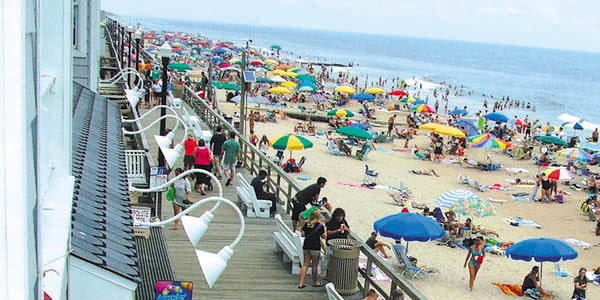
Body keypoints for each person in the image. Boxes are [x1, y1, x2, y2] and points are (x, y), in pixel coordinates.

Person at [298, 209, 326, 289]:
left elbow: (303, 234)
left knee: (305, 264)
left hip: (306, 246)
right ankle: (315, 282)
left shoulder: (307, 224)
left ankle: (301, 283)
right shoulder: (320, 226)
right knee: (314, 266)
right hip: (315, 248)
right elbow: (324, 236)